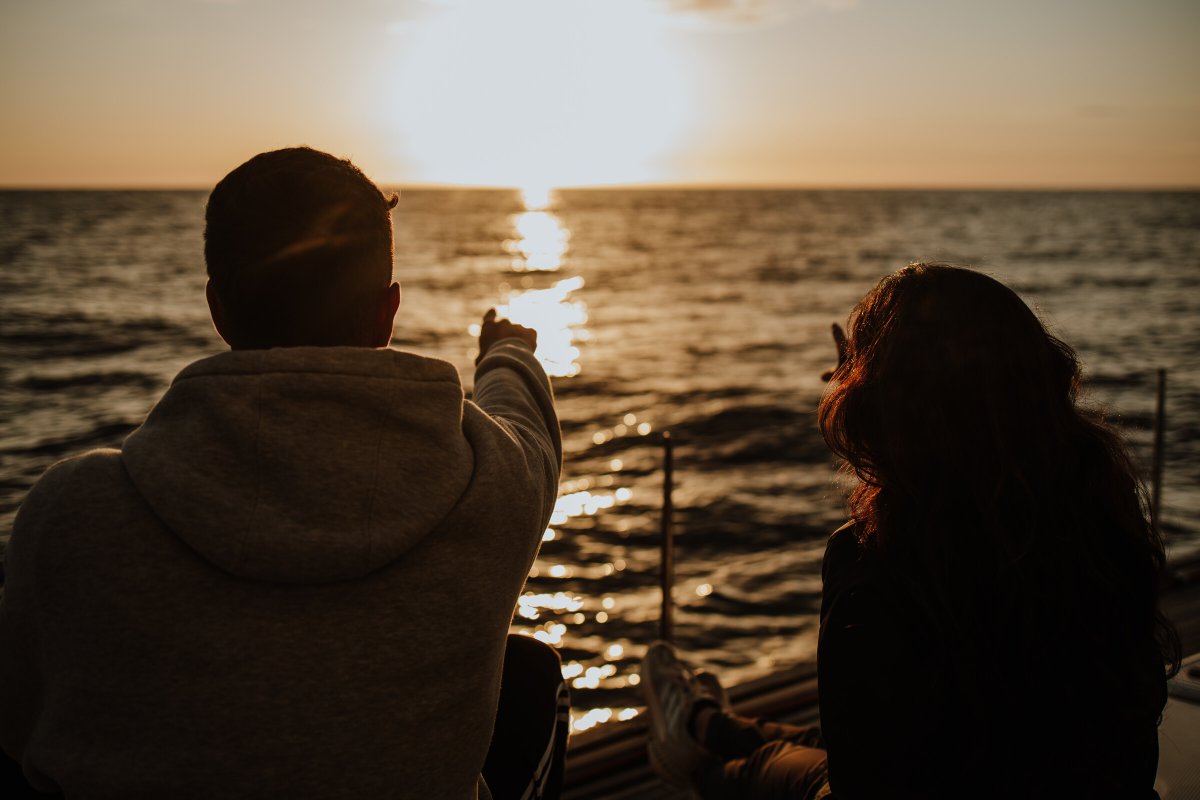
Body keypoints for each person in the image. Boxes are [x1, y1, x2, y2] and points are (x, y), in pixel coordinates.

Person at [0, 147, 566, 799]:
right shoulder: (489, 485)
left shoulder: (71, 514)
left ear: (218, 308)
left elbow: (18, 729)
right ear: (389, 312)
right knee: (530, 680)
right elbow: (528, 434)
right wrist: (505, 356)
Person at [642, 263, 1180, 799]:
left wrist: (870, 403)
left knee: (774, 769)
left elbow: (862, 779)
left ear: (883, 409)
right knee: (821, 741)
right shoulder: (1102, 520)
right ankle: (704, 721)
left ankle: (696, 765)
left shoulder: (879, 560)